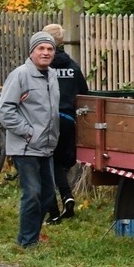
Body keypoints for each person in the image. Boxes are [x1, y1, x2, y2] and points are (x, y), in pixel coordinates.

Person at [0, 31, 60, 248]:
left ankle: (32, 234)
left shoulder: (52, 75)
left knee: (48, 195)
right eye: (41, 49)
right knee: (32, 193)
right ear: (32, 51)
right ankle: (26, 241)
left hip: (47, 146)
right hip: (25, 146)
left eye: (49, 49)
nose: (45, 53)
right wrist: (29, 132)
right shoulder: (20, 75)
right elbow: (5, 111)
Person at [42, 23, 89, 224]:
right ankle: (67, 196)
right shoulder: (72, 66)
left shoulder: (43, 66)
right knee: (59, 164)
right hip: (69, 120)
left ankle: (52, 212)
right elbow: (84, 92)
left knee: (45, 163)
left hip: (48, 119)